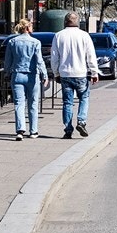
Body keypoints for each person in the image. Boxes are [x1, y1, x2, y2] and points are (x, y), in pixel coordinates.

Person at [49, 11, 99, 139]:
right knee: (84, 98)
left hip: (65, 73)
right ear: (78, 21)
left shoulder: (58, 36)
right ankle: (81, 121)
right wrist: (94, 72)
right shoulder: (84, 35)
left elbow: (54, 57)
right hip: (80, 73)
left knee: (67, 102)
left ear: (65, 21)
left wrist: (56, 73)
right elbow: (91, 55)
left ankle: (68, 129)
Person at [2, 19, 47, 139]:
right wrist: (44, 74)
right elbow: (39, 60)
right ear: (27, 28)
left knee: (19, 103)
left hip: (17, 75)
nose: (32, 28)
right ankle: (33, 131)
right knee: (33, 103)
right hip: (32, 75)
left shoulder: (12, 42)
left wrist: (7, 72)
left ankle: (20, 130)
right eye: (31, 25)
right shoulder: (35, 42)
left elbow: (8, 61)